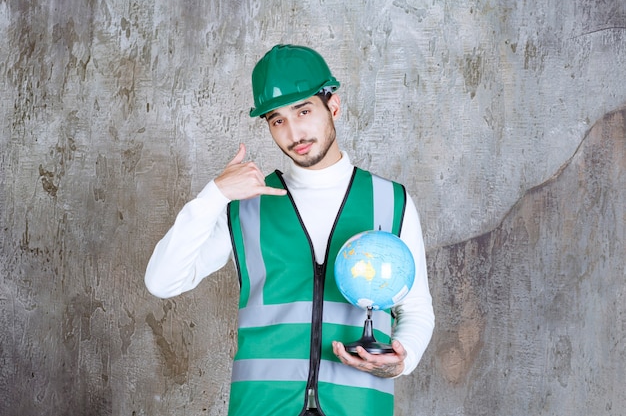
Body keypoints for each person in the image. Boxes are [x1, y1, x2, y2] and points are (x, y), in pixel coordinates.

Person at [145, 44, 435, 416]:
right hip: (262, 406)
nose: (294, 132)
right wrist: (214, 194)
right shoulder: (245, 204)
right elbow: (162, 281)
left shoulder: (391, 201)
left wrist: (402, 357)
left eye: (303, 111)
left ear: (334, 106)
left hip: (358, 405)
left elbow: (415, 307)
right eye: (277, 119)